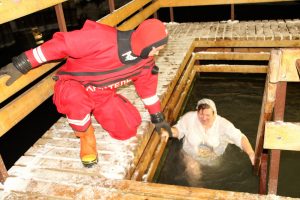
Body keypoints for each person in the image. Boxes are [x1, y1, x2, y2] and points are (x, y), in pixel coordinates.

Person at [0, 18, 172, 167]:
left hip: (102, 93)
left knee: (127, 131)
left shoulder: (145, 63)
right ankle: (86, 135)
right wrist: (23, 63)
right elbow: (63, 44)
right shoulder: (102, 39)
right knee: (77, 101)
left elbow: (147, 90)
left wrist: (157, 117)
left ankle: (110, 106)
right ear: (145, 43)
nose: (158, 52)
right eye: (157, 48)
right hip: (74, 85)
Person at [161, 98, 255, 185]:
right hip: (190, 155)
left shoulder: (223, 125)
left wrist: (251, 153)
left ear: (214, 113)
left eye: (207, 115)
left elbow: (240, 137)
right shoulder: (189, 118)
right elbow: (178, 130)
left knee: (214, 175)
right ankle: (197, 190)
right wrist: (168, 132)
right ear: (197, 111)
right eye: (201, 114)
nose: (204, 118)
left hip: (213, 158)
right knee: (192, 167)